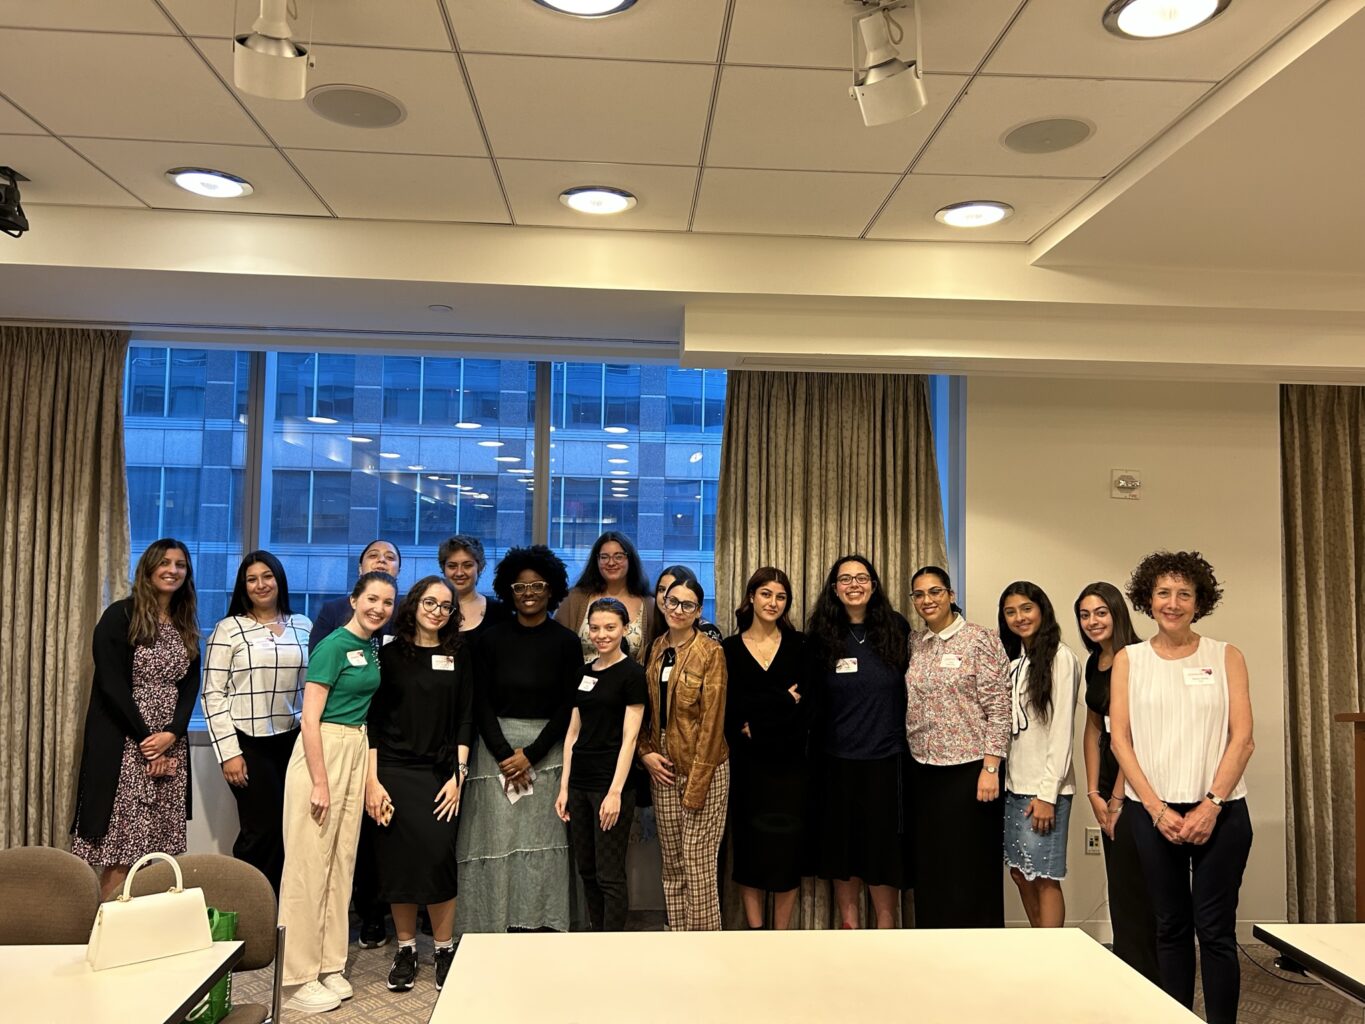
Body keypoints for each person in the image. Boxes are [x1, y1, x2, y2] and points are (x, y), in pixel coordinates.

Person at [1110, 551, 1254, 1024]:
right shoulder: (1129, 659)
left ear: (1199, 601)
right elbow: (1120, 741)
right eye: (1163, 593)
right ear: (1148, 600)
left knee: (1215, 931)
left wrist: (1210, 805)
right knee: (1169, 929)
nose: (1173, 603)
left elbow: (1243, 738)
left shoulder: (1226, 655)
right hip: (1153, 815)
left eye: (1184, 594)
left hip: (1222, 811)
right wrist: (1155, 809)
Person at [278, 570, 396, 1016]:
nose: (378, 609)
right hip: (321, 749)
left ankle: (328, 965)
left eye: (387, 602)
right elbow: (309, 720)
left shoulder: (371, 647)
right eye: (371, 599)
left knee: (340, 862)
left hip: (354, 745)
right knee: (308, 865)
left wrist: (366, 777)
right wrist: (321, 782)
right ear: (353, 599)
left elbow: (364, 716)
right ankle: (295, 978)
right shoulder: (331, 646)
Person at [456, 545, 583, 936]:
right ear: (508, 591)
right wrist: (504, 754)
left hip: (547, 752)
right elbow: (479, 703)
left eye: (538, 585)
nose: (529, 592)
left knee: (542, 844)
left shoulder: (566, 642)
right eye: (520, 586)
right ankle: (489, 924)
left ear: (552, 590)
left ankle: (542, 922)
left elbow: (569, 704)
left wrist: (530, 754)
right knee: (494, 842)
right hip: (494, 753)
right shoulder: (488, 641)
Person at [72, 539, 201, 900]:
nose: (172, 570)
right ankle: (105, 934)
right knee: (120, 848)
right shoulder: (120, 615)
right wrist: (149, 741)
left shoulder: (184, 622)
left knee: (155, 847)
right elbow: (111, 684)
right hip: (125, 742)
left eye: (180, 565)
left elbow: (191, 685)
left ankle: (141, 936)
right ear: (148, 568)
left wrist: (172, 735)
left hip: (169, 742)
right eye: (165, 563)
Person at [368, 576, 473, 993]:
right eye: (431, 601)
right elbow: (372, 721)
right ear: (415, 604)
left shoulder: (459, 655)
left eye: (446, 606)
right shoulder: (389, 654)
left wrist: (459, 776)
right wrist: (372, 782)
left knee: (437, 859)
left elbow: (466, 717)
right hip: (394, 771)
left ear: (452, 614)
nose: (437, 610)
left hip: (440, 774)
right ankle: (407, 949)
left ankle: (444, 949)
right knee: (399, 864)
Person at [805, 555, 912, 928]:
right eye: (845, 578)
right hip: (834, 760)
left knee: (882, 850)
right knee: (842, 849)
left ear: (874, 584)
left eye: (862, 577)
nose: (854, 584)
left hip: (887, 757)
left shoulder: (896, 628)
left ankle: (885, 929)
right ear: (834, 588)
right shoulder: (821, 635)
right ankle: (849, 930)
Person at [904, 565, 1010, 929]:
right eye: (919, 594)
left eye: (935, 591)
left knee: (970, 864)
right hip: (924, 769)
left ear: (950, 595)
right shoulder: (916, 643)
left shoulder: (980, 640)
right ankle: (934, 940)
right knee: (933, 863)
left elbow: (999, 707)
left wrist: (991, 767)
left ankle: (977, 945)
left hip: (971, 770)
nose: (927, 600)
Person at [308, 538, 401, 949]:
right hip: (335, 736)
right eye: (374, 556)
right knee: (329, 846)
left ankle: (373, 914)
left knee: (372, 832)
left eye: (390, 557)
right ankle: (342, 930)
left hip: (380, 738)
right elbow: (319, 689)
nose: (382, 561)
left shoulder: (400, 619)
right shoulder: (334, 618)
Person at [202, 550, 312, 894]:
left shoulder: (304, 625)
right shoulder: (228, 629)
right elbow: (212, 695)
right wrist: (228, 754)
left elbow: (315, 685)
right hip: (248, 742)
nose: (261, 584)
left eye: (267, 576)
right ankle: (252, 909)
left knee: (292, 829)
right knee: (259, 831)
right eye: (252, 579)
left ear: (279, 580)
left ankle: (284, 913)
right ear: (243, 586)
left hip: (294, 742)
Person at [1075, 581, 1160, 983]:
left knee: (1138, 883)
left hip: (1137, 776)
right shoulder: (1096, 661)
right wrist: (1093, 789)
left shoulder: (1138, 657)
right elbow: (1094, 729)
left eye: (1100, 612)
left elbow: (1136, 733)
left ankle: (1149, 975)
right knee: (1121, 882)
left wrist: (1117, 796)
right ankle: (1130, 966)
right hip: (1108, 775)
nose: (1092, 622)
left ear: (1117, 613)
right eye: (1085, 615)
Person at [639, 574, 730, 930]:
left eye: (687, 605)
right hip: (662, 765)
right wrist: (645, 752)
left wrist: (696, 784)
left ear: (698, 611)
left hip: (703, 768)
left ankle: (704, 945)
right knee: (673, 863)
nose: (678, 609)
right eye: (672, 602)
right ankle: (678, 937)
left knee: (698, 862)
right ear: (663, 605)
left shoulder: (711, 652)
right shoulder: (656, 647)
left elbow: (712, 723)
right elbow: (645, 711)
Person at [722, 567, 808, 930]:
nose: (773, 602)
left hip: (791, 765)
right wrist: (780, 699)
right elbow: (730, 709)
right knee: (750, 849)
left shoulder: (801, 646)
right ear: (751, 597)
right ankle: (756, 933)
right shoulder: (728, 648)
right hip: (747, 767)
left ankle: (781, 934)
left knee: (787, 851)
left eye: (781, 596)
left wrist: (756, 719)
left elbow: (808, 707)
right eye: (766, 594)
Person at [555, 598, 647, 931]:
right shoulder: (583, 672)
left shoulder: (633, 674)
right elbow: (572, 734)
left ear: (624, 629)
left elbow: (630, 739)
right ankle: (596, 937)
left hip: (612, 786)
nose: (601, 635)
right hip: (579, 784)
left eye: (610, 627)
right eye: (595, 628)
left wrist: (615, 793)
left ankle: (612, 945)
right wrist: (564, 787)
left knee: (609, 874)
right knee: (587, 871)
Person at [998, 581, 1081, 928]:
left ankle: (1053, 954)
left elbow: (1062, 731)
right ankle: (1038, 945)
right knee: (1020, 873)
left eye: (1026, 608)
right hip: (1015, 785)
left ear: (1042, 610)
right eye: (1011, 611)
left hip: (1046, 789)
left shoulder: (1061, 659)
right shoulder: (1016, 663)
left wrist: (1047, 794)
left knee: (1044, 876)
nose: (1020, 617)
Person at [556, 531, 656, 663]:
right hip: (580, 681)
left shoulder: (649, 604)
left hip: (630, 682)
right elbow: (556, 644)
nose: (611, 562)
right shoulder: (575, 599)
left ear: (630, 559)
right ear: (596, 560)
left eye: (618, 556)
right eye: (604, 557)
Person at [439, 534, 510, 636]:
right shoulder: (429, 611)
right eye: (452, 566)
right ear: (443, 569)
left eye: (467, 565)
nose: (459, 573)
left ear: (480, 567)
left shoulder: (499, 612)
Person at [651, 564, 723, 642]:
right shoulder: (656, 627)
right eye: (661, 589)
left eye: (672, 589)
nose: (665, 595)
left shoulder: (708, 632)